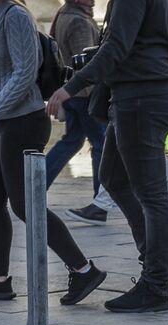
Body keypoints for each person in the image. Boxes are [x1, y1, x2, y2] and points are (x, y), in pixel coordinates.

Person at [0, 0, 105, 305]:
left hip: (23, 122)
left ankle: (83, 269)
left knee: (24, 205)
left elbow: (24, 73)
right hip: (0, 119)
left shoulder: (15, 14)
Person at [47, 0, 168, 314]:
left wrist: (72, 86)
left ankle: (155, 283)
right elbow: (142, 40)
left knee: (152, 195)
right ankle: (155, 261)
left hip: (141, 97)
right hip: (145, 92)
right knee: (113, 178)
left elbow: (118, 47)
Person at [42, 0, 101, 194]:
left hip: (73, 92)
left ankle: (38, 182)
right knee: (101, 142)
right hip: (84, 94)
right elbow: (85, 63)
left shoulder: (64, 15)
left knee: (73, 140)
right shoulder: (78, 22)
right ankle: (102, 197)